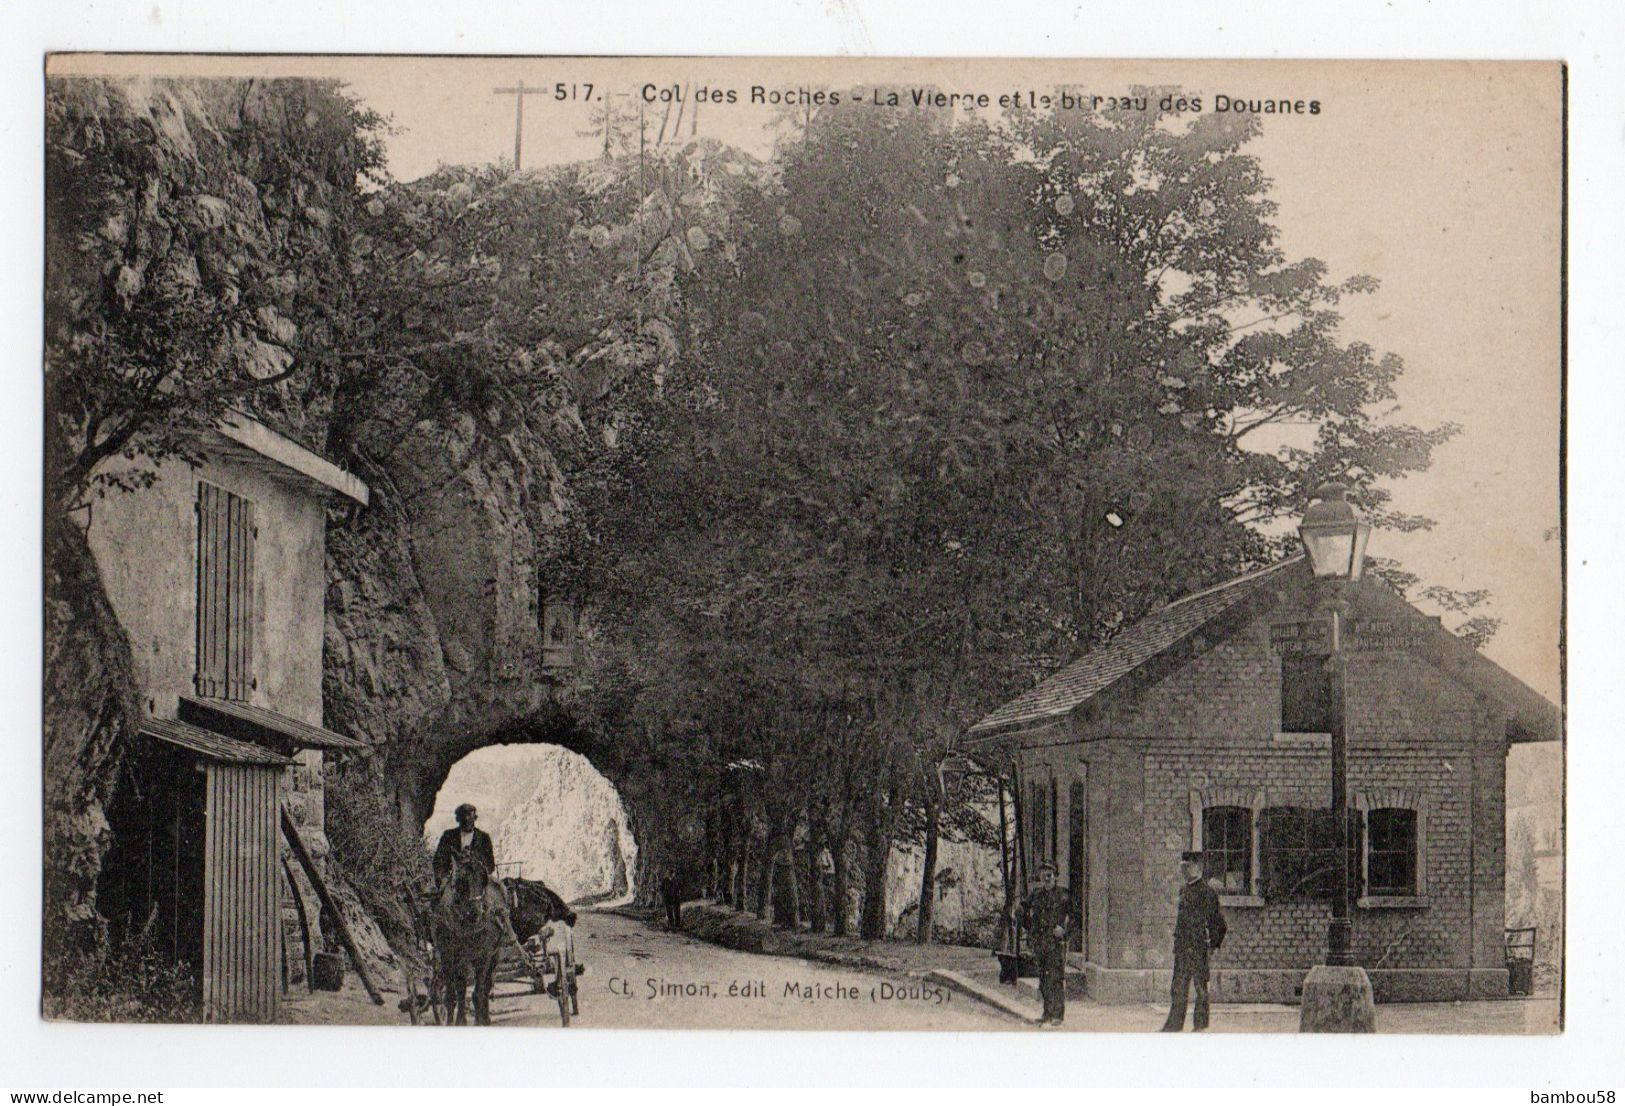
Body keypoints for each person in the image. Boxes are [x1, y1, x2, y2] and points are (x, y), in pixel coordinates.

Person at [1161, 850, 1227, 1032]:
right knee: (1177, 988)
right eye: (1183, 867)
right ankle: (1173, 1026)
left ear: (1198, 868)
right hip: (1182, 948)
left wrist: (1213, 945)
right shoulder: (1183, 890)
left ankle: (1200, 1027)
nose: (1185, 870)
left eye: (1188, 867)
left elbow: (1219, 923)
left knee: (1200, 990)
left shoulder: (1208, 893)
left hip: (1198, 948)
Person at [1021, 861, 1074, 1027]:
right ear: (1040, 877)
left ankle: (1058, 1015)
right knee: (1043, 979)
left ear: (1055, 875)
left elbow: (1075, 916)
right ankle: (1047, 1013)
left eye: (1050, 872)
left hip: (1055, 943)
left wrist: (1064, 931)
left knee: (1056, 978)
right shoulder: (1036, 894)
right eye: (1044, 872)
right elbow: (1021, 910)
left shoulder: (1063, 894)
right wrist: (1030, 928)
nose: (1047, 876)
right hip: (1040, 943)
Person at [433, 802, 497, 886]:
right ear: (458, 819)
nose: (467, 819)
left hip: (478, 882)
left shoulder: (484, 838)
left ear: (475, 818)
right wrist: (443, 877)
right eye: (463, 817)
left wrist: (479, 871)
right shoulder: (448, 836)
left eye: (470, 817)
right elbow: (438, 860)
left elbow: (490, 864)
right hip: (452, 882)